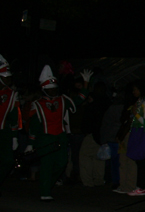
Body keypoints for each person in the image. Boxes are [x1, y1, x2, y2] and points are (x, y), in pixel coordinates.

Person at [25, 65, 89, 200]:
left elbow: (79, 100)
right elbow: (34, 126)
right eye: (50, 89)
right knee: (47, 165)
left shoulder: (63, 100)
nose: (53, 91)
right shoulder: (37, 105)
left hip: (60, 137)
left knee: (62, 163)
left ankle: (47, 184)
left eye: (54, 89)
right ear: (43, 89)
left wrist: (86, 84)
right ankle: (45, 191)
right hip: (45, 138)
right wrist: (30, 143)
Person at [0, 54, 21, 193]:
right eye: (4, 76)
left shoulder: (12, 94)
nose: (8, 79)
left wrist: (14, 136)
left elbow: (14, 116)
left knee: (8, 161)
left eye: (9, 76)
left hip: (4, 132)